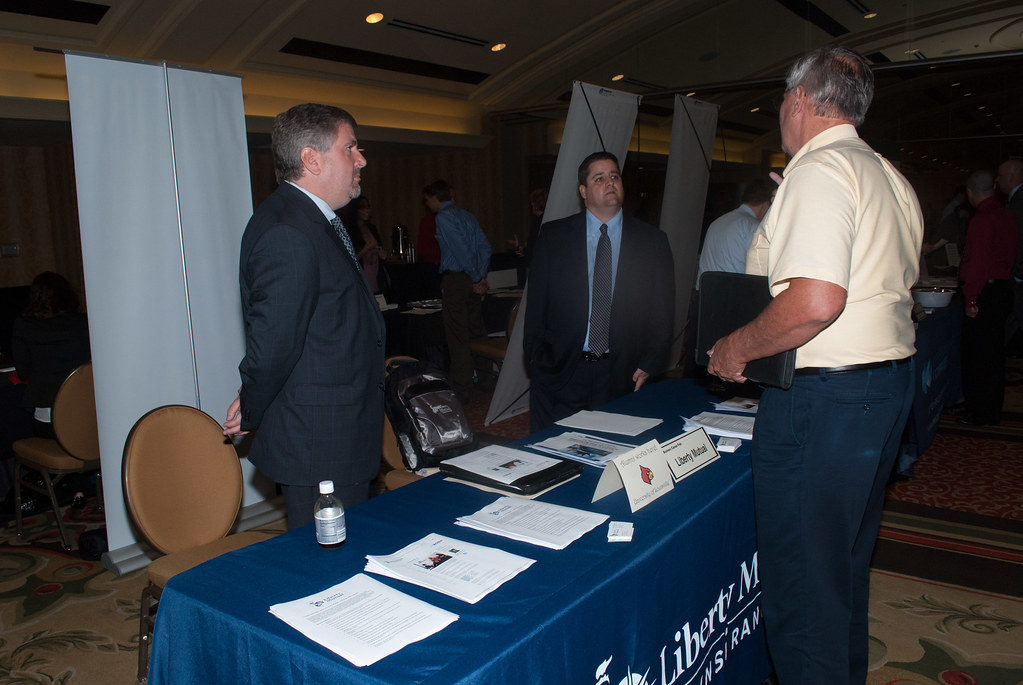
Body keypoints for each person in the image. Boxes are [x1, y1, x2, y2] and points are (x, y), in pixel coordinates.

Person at [707, 47, 923, 684]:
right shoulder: (882, 172)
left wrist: (735, 349)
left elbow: (815, 301)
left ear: (800, 100)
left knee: (802, 592)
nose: (780, 112)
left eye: (781, 100)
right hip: (882, 389)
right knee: (840, 575)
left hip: (825, 403)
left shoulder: (822, 173)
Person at [223, 103, 385, 530]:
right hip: (321, 439)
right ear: (311, 159)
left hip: (337, 428)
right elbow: (274, 343)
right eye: (350, 148)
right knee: (328, 575)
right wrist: (255, 403)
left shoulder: (310, 219)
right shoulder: (287, 232)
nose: (361, 158)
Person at [524, 151, 675, 432]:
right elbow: (536, 306)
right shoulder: (554, 237)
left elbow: (663, 310)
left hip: (623, 370)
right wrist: (536, 357)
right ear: (583, 190)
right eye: (599, 178)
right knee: (554, 449)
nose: (610, 182)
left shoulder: (652, 241)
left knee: (615, 452)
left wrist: (651, 361)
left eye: (614, 176)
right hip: (563, 367)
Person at [423, 179, 491, 402]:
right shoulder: (467, 215)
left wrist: (474, 276)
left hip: (457, 280)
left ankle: (461, 390)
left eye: (427, 200)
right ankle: (486, 379)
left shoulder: (443, 217)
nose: (427, 204)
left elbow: (461, 251)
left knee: (458, 336)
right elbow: (484, 246)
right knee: (477, 331)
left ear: (435, 197)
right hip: (472, 278)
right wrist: (480, 276)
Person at [957, 169, 1016, 426]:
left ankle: (979, 412)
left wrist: (971, 299)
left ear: (970, 192)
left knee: (979, 357)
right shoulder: (1005, 214)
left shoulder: (981, 220)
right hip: (1001, 288)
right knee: (993, 356)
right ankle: (988, 409)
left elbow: (977, 263)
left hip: (984, 293)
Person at [11, 272, 91, 440]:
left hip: (50, 423)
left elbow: (23, 372)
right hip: (90, 419)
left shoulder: (25, 326)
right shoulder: (85, 323)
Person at [696, 178, 774, 283]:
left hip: (706, 294)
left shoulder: (717, 222)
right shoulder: (753, 227)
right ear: (765, 206)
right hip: (735, 294)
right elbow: (760, 271)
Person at [998, 159, 1023, 342]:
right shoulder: (1015, 200)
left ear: (1011, 177)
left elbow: (1018, 239)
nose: (997, 180)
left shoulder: (1018, 202)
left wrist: (1016, 273)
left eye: (1001, 176)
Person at [342, 196, 386, 293]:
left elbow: (380, 247)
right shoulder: (349, 231)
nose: (366, 211)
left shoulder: (372, 228)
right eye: (362, 208)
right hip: (361, 276)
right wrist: (366, 249)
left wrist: (381, 253)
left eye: (368, 207)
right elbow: (349, 260)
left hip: (375, 274)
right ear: (355, 210)